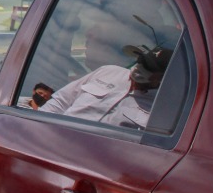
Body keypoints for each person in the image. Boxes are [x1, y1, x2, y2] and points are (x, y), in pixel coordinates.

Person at [41, 43, 173, 129]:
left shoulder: (160, 110)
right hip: (53, 145)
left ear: (162, 78)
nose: (140, 67)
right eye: (141, 61)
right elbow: (61, 100)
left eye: (148, 67)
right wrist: (40, 130)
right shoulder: (108, 72)